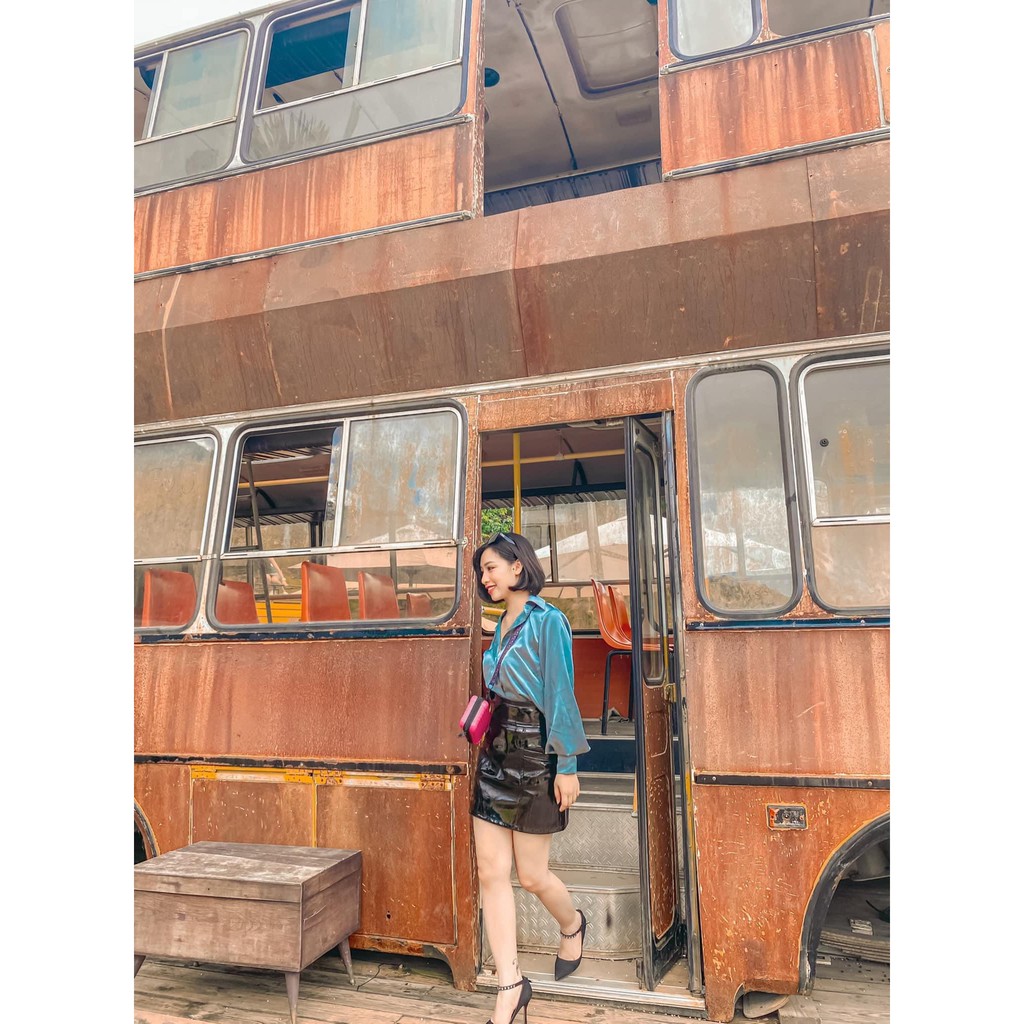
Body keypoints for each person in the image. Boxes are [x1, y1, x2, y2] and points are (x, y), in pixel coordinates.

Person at [470, 531, 591, 1024]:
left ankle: (573, 923)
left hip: (536, 756)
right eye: (482, 571)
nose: (486, 578)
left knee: (532, 876)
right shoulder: (501, 624)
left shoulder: (548, 621)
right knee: (490, 872)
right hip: (494, 754)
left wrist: (568, 766)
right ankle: (510, 984)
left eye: (491, 568)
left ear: (518, 567)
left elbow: (561, 694)